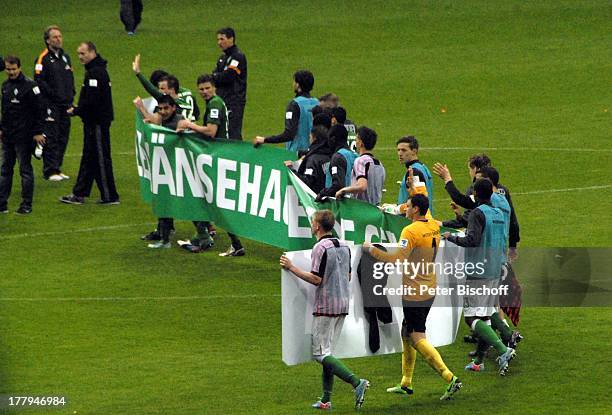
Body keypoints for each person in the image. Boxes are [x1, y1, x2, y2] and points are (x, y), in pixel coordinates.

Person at [364, 194, 462, 400]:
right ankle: (406, 383)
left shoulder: (410, 231)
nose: (405, 209)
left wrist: (371, 249)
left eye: (407, 206)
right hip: (429, 286)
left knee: (417, 337)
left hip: (414, 291)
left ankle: (450, 377)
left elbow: (397, 259)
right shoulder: (433, 226)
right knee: (407, 333)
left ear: (416, 209)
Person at [280, 210, 370, 410]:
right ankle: (326, 400)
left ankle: (357, 382)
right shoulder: (345, 246)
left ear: (318, 226)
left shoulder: (320, 248)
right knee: (328, 354)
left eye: (313, 222)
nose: (312, 224)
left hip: (326, 306)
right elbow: (347, 276)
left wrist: (291, 267)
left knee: (320, 354)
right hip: (343, 304)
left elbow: (316, 279)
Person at [443, 179, 516, 375]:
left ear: (475, 193)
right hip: (495, 268)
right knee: (486, 315)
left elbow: (472, 240)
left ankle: (503, 350)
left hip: (478, 270)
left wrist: (451, 238)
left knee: (472, 318)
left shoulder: (478, 213)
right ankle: (479, 361)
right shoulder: (499, 213)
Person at [176, 74, 245, 257]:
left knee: (206, 198)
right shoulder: (214, 103)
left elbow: (211, 131)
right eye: (201, 89)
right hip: (218, 157)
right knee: (204, 198)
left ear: (214, 87)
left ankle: (217, 238)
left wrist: (190, 125)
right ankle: (206, 235)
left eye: (207, 88)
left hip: (218, 159)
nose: (204, 92)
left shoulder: (215, 104)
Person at [59, 42, 119, 206]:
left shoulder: (95, 73)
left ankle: (110, 196)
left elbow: (92, 100)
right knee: (90, 158)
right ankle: (80, 193)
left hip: (97, 122)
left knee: (99, 157)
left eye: (83, 53)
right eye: (78, 54)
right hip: (94, 121)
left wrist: (76, 110)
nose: (80, 57)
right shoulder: (96, 70)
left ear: (92, 52)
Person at [134, 94, 183, 248]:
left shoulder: (178, 122)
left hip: (175, 169)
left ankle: (203, 234)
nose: (162, 111)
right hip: (165, 168)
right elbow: (156, 122)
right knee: (163, 202)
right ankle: (164, 238)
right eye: (160, 108)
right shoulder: (166, 120)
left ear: (173, 108)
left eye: (166, 108)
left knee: (173, 202)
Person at [0, 56, 46, 214]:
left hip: (24, 136)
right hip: (8, 136)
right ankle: (2, 203)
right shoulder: (5, 86)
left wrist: (38, 132)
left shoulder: (30, 86)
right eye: (8, 69)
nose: (11, 72)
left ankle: (26, 204)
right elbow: (4, 110)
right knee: (5, 170)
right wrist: (1, 128)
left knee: (25, 170)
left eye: (13, 69)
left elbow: (40, 110)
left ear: (19, 68)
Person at [34, 25, 75, 181]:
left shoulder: (65, 57)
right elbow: (39, 80)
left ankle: (57, 168)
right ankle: (50, 170)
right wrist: (52, 96)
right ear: (47, 40)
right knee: (52, 136)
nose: (59, 39)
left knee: (63, 136)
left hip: (65, 103)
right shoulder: (42, 58)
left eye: (60, 36)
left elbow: (69, 78)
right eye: (55, 37)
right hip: (51, 104)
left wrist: (72, 94)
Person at [253, 70, 318, 154]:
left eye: (294, 81)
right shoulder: (317, 103)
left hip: (297, 155)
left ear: (298, 85)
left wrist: (265, 140)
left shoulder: (294, 105)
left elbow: (289, 134)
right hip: (314, 153)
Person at [132, 54, 199, 121]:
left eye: (162, 88)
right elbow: (197, 115)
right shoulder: (186, 94)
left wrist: (138, 73)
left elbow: (152, 91)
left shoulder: (170, 104)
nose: (159, 91)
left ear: (172, 89)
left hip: (178, 130)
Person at [335, 126, 385, 206]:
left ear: (361, 143)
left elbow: (362, 186)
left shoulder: (361, 161)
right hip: (376, 209)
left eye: (356, 139)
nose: (355, 141)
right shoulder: (380, 165)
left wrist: (344, 190)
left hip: (362, 209)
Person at [212, 27, 247, 140]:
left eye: (222, 39)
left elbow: (228, 76)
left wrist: (217, 76)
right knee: (221, 132)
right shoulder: (222, 58)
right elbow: (214, 77)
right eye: (218, 40)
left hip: (234, 102)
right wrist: (217, 76)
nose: (219, 43)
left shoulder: (238, 56)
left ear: (231, 39)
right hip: (223, 99)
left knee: (232, 134)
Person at [285, 125, 332, 194]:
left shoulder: (313, 159)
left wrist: (292, 171)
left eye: (310, 137)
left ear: (314, 138)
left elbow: (307, 182)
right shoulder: (330, 156)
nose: (309, 139)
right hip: (327, 198)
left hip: (315, 200)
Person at [317, 124, 357, 201]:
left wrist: (322, 193)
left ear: (333, 139)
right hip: (353, 205)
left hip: (339, 207)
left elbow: (338, 185)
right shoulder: (356, 156)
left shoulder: (337, 157)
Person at [396, 136, 434, 214]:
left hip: (415, 220)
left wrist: (396, 209)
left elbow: (418, 202)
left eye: (404, 150)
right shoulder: (423, 167)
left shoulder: (414, 172)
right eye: (398, 150)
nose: (400, 153)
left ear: (414, 151)